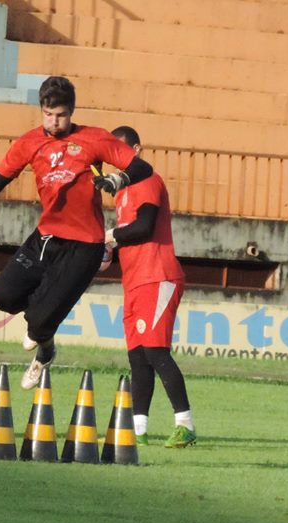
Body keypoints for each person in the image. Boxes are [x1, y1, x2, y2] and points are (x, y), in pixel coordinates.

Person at [0, 76, 152, 389]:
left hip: (84, 245)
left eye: (60, 115)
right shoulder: (30, 142)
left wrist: (117, 180)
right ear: (41, 110)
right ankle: (44, 331)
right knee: (1, 296)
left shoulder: (94, 138)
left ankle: (44, 348)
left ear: (71, 111)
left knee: (39, 321)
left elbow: (143, 168)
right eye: (48, 115)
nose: (54, 122)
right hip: (45, 238)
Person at [104, 125, 195, 448]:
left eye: (122, 151)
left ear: (137, 150)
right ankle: (137, 430)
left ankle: (185, 424)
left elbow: (143, 228)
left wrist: (110, 237)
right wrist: (108, 253)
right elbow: (130, 237)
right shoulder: (121, 191)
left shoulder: (147, 180)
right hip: (136, 281)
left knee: (156, 351)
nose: (117, 160)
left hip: (158, 276)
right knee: (138, 358)